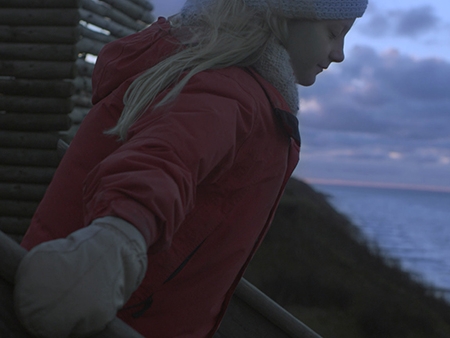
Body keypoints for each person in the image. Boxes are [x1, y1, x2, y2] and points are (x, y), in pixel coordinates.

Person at [14, 0, 367, 337]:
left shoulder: (235, 88)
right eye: (333, 33)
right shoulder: (229, 93)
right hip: (97, 316)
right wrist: (114, 243)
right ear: (284, 15)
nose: (339, 54)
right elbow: (162, 163)